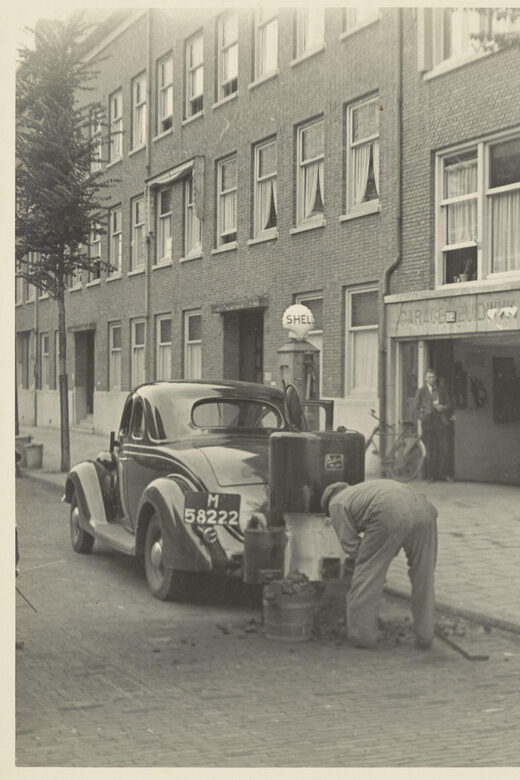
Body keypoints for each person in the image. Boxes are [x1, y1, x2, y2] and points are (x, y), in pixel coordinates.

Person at [321, 480, 438, 650]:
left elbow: (351, 546)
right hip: (425, 510)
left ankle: (362, 636)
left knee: (367, 574)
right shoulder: (363, 491)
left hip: (390, 511)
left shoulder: (336, 503)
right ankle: (425, 635)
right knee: (424, 575)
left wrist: (376, 563)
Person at [414, 368, 452, 481]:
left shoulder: (441, 390)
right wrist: (421, 418)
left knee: (443, 448)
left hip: (440, 421)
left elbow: (450, 404)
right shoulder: (421, 391)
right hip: (428, 423)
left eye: (433, 377)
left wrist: (443, 407)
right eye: (429, 377)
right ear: (425, 379)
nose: (432, 379)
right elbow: (415, 408)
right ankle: (431, 476)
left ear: (436, 378)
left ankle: (443, 474)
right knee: (430, 449)